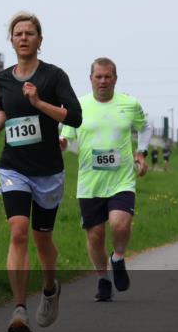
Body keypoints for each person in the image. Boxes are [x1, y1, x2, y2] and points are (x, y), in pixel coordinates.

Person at [0, 12, 82, 332]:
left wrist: (39, 102)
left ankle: (50, 288)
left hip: (48, 171)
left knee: (43, 240)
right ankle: (19, 309)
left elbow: (75, 117)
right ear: (11, 40)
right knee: (18, 231)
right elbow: (4, 107)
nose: (24, 38)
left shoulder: (54, 76)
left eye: (30, 33)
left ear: (40, 40)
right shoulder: (2, 78)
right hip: (13, 166)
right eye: (18, 33)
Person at [59, 58, 151, 302]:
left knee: (120, 224)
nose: (103, 81)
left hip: (122, 180)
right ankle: (102, 279)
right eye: (98, 77)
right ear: (90, 79)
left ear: (115, 79)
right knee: (95, 235)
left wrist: (141, 152)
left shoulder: (129, 104)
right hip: (90, 183)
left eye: (107, 76)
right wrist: (61, 144)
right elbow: (66, 138)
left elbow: (145, 127)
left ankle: (118, 258)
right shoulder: (78, 106)